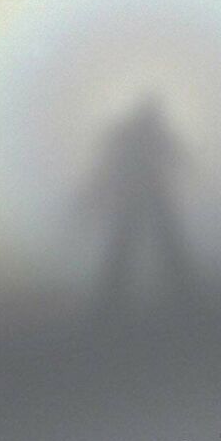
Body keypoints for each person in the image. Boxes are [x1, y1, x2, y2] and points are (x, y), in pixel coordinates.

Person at [85, 95, 193, 308]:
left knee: (139, 243)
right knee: (140, 243)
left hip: (142, 194)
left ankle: (111, 298)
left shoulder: (133, 131)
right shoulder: (143, 131)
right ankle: (185, 293)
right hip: (143, 193)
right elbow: (174, 153)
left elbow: (173, 153)